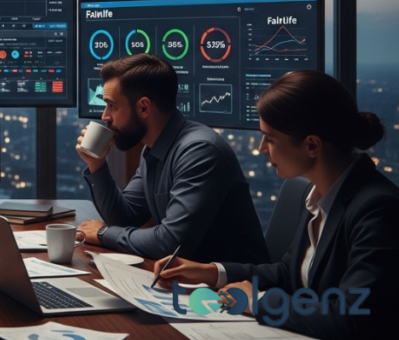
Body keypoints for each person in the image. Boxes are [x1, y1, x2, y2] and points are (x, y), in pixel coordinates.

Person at [154, 70, 397, 338]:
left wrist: (257, 301)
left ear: (312, 146)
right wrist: (211, 272)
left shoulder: (377, 208)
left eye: (269, 138)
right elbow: (288, 273)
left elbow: (351, 317)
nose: (261, 148)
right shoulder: (318, 193)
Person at [76, 53, 269, 264]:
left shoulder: (199, 151)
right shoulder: (154, 149)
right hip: (187, 277)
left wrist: (103, 234)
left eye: (112, 106)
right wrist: (97, 165)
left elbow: (171, 243)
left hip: (233, 283)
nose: (105, 116)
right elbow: (125, 217)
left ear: (144, 107)